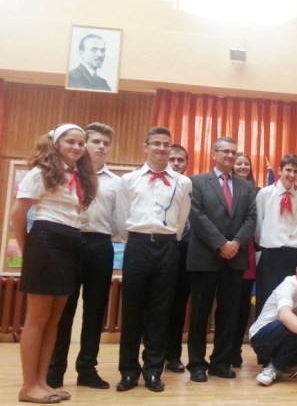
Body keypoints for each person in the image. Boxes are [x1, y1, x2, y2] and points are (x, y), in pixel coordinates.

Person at [10, 124, 98, 404]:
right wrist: (28, 251)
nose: (76, 147)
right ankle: (28, 386)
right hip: (46, 241)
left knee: (54, 320)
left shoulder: (78, 176)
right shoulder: (40, 172)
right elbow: (18, 214)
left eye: (81, 143)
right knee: (37, 318)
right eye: (70, 141)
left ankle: (42, 382)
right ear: (56, 143)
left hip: (70, 242)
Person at [115, 126, 192, 393]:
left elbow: (181, 220)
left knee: (160, 313)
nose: (161, 148)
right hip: (137, 245)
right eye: (156, 143)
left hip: (167, 247)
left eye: (166, 144)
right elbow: (122, 217)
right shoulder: (129, 180)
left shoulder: (183, 183)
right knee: (132, 311)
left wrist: (166, 238)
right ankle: (128, 371)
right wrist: (137, 239)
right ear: (146, 147)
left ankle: (152, 371)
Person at [47, 123, 119, 391]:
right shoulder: (66, 174)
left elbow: (119, 221)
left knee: (95, 309)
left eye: (106, 143)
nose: (101, 147)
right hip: (69, 240)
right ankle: (54, 370)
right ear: (84, 144)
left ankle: (87, 369)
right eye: (96, 141)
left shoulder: (116, 182)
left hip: (100, 244)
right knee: (63, 308)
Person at [185, 137, 257, 382]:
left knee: (229, 313)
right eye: (225, 151)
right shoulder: (196, 181)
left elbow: (251, 219)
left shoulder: (246, 187)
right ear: (213, 154)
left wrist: (235, 243)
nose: (230, 155)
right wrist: (220, 244)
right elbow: (196, 215)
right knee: (200, 313)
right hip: (204, 256)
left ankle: (221, 362)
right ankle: (196, 363)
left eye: (233, 152)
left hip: (234, 258)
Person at [249, 254, 297, 386]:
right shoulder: (290, 284)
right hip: (261, 338)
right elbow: (285, 316)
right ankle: (273, 369)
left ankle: (290, 367)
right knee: (294, 324)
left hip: (281, 336)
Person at [254, 154, 297, 317]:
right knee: (267, 299)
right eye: (288, 170)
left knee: (289, 300)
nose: (292, 175)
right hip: (270, 254)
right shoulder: (265, 193)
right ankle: (264, 332)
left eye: (296, 171)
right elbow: (258, 224)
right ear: (279, 170)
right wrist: (266, 241)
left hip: (293, 254)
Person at [164, 144, 191, 374]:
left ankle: (173, 355)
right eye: (172, 159)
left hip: (185, 252)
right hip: (161, 248)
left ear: (186, 163)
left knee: (178, 305)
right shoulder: (156, 184)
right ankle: (152, 354)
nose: (175, 163)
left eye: (180, 160)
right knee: (157, 304)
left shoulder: (190, 186)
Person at [231, 152, 258, 368]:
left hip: (248, 255)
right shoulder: (226, 189)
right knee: (227, 307)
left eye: (246, 164)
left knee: (241, 309)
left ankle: (235, 350)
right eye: (238, 163)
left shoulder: (258, 192)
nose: (242, 167)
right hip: (226, 253)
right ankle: (224, 349)